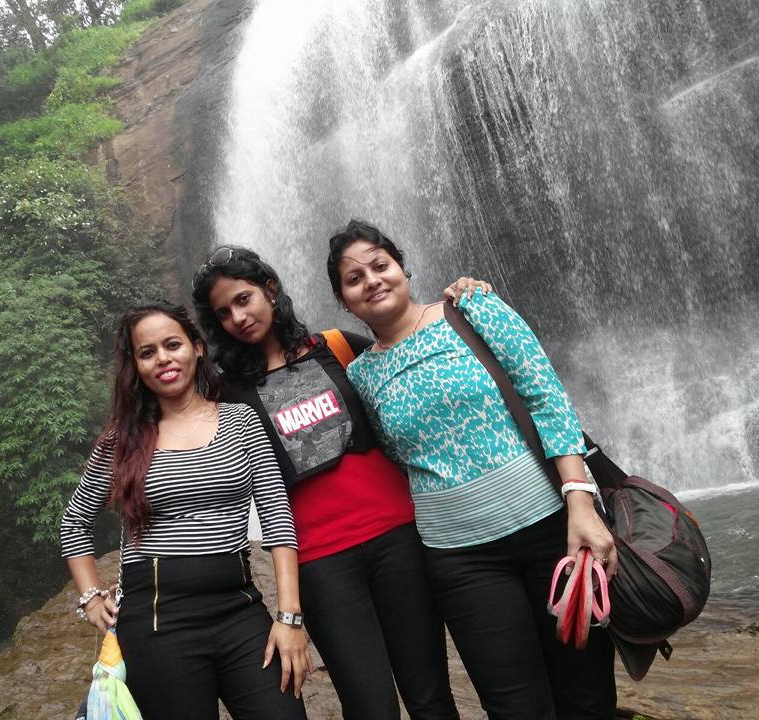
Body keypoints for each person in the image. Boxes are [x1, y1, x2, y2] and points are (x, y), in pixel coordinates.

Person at [326, 220, 618, 720]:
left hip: (554, 529)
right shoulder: (360, 375)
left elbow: (545, 396)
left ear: (403, 268)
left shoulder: (472, 309)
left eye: (381, 265)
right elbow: (397, 457)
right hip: (458, 559)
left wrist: (581, 503)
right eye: (355, 279)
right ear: (344, 300)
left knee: (586, 693)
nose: (372, 280)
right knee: (512, 705)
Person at [192, 247, 487, 720]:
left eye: (244, 299)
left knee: (430, 694)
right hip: (319, 560)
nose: (238, 317)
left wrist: (461, 299)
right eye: (223, 313)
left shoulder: (339, 346)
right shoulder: (227, 391)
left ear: (270, 289)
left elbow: (406, 338)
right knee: (369, 706)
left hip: (399, 537)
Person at [59, 301, 311, 720]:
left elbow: (277, 518)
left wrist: (289, 618)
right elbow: (75, 520)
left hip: (239, 608)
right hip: (157, 619)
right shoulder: (123, 439)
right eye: (147, 352)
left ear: (196, 347)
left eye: (172, 344)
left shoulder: (241, 420)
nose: (163, 359)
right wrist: (88, 597)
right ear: (136, 367)